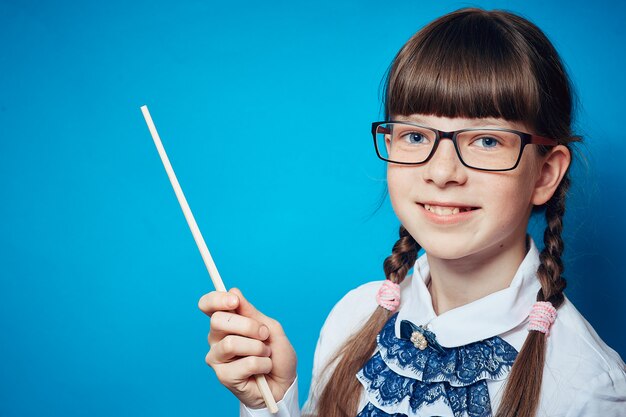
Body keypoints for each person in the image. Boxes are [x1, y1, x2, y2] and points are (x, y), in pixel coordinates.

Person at [197, 7, 626, 417]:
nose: (441, 172)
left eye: (487, 140)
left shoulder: (591, 387)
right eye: (416, 136)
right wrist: (269, 402)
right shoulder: (353, 316)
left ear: (544, 174)